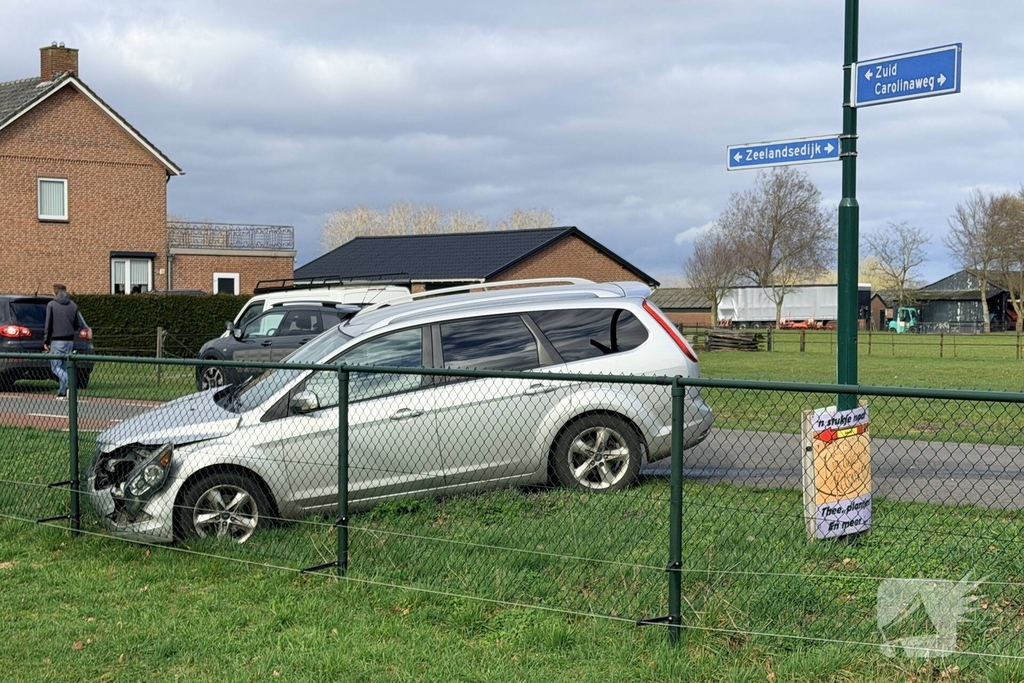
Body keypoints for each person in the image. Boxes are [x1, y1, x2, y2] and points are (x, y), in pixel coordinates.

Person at [43, 283, 81, 400]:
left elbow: (48, 324)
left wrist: (46, 340)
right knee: (64, 366)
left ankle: (70, 383)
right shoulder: (73, 305)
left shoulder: (52, 305)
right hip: (69, 340)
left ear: (55, 292)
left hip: (57, 339)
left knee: (55, 367)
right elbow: (77, 324)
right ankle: (62, 392)